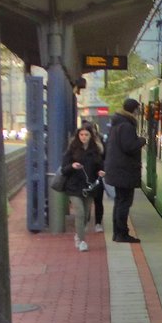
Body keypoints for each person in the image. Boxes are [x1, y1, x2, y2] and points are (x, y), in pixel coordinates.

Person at [104, 98, 147, 243]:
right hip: (124, 172)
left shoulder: (117, 123)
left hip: (118, 171)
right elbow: (129, 147)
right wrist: (142, 140)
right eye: (137, 109)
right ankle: (122, 234)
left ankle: (118, 233)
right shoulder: (127, 126)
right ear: (133, 109)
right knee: (124, 203)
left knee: (119, 202)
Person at [60, 125, 104, 252]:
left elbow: (100, 166)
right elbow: (64, 169)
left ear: (91, 136)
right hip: (74, 186)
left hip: (89, 187)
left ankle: (78, 234)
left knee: (85, 215)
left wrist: (101, 172)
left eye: (86, 135)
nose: (84, 137)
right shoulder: (72, 150)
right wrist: (72, 166)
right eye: (81, 135)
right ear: (78, 136)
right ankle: (82, 240)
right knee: (79, 213)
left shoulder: (95, 151)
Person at [82, 121, 106, 232]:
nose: (85, 136)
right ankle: (93, 223)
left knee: (97, 200)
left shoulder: (99, 145)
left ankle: (96, 223)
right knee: (89, 201)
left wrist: (102, 170)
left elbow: (103, 158)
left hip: (95, 177)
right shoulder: (77, 146)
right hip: (85, 177)